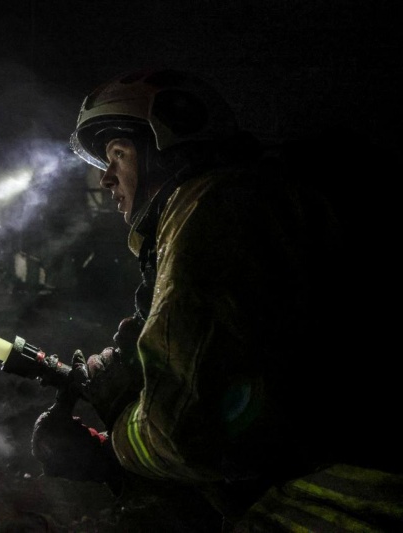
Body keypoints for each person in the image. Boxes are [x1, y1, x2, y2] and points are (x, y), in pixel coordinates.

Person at [31, 69, 403, 531]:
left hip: (348, 502)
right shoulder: (250, 202)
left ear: (164, 146)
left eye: (117, 154)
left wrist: (112, 440)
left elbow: (191, 434)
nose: (107, 179)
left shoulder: (211, 208)